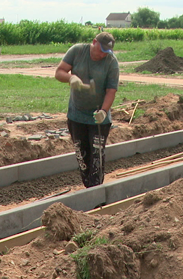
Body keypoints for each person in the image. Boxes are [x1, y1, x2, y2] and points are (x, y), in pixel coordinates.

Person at [55, 32, 120, 188]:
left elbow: (111, 91)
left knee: (97, 157)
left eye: (107, 52)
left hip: (99, 116)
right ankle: (88, 188)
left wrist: (104, 111)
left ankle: (95, 192)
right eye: (101, 50)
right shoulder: (77, 51)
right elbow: (59, 72)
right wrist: (71, 78)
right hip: (76, 114)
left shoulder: (111, 62)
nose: (103, 54)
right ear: (94, 42)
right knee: (82, 156)